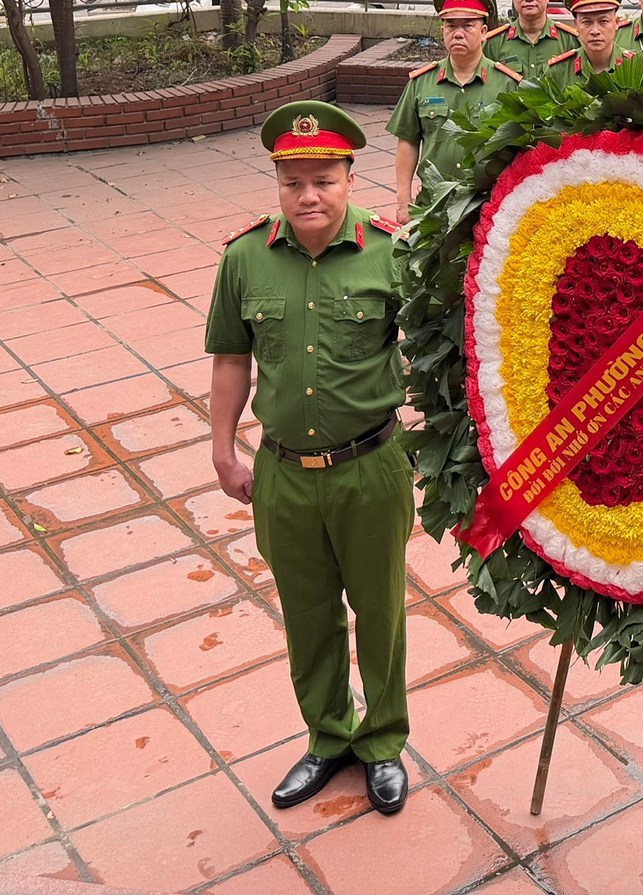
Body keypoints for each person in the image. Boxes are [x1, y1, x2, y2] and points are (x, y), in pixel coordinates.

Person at [205, 102, 413, 817]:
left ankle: (382, 742)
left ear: (350, 178)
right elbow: (232, 357)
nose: (308, 196)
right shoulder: (244, 258)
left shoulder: (392, 254)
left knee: (380, 609)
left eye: (323, 179)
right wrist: (224, 446)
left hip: (372, 467)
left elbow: (442, 352)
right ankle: (328, 736)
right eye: (293, 182)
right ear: (277, 184)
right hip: (283, 473)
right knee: (307, 612)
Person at [388, 0, 523, 220]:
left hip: (489, 204)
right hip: (433, 205)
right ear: (443, 32)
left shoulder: (507, 84)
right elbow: (408, 141)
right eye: (451, 26)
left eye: (468, 26)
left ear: (483, 33)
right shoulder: (422, 82)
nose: (458, 33)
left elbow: (521, 147)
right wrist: (402, 201)